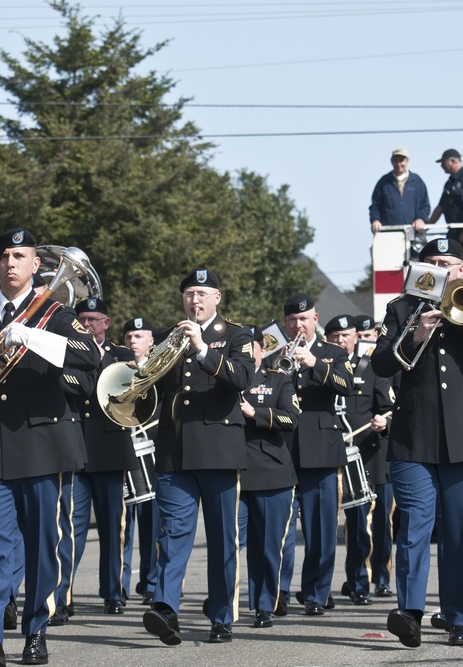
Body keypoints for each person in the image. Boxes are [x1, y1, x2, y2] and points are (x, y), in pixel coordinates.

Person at [0, 229, 101, 667]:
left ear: (37, 265)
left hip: (42, 446)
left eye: (21, 256)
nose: (11, 262)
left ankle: (36, 631)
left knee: (40, 549)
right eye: (5, 256)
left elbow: (88, 355)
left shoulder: (55, 312)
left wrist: (31, 337)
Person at [371, 238, 463, 648]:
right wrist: (415, 333)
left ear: (462, 270)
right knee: (413, 524)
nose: (440, 268)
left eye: (447, 263)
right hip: (415, 435)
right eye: (432, 262)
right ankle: (410, 613)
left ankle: (459, 617)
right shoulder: (401, 308)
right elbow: (379, 363)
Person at [142, 268, 253, 646]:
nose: (196, 300)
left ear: (218, 298)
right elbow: (148, 389)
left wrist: (203, 349)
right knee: (171, 536)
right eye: (190, 294)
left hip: (220, 451)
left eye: (203, 293)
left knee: (223, 540)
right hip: (175, 451)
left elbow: (242, 379)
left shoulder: (237, 335)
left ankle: (222, 616)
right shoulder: (167, 337)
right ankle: (166, 610)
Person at [52, 297, 137, 621]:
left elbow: (127, 391)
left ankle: (113, 593)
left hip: (111, 451)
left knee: (114, 528)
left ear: (106, 322)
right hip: (75, 448)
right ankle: (63, 597)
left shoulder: (122, 355)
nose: (86, 324)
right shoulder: (66, 350)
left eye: (92, 319)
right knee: (69, 530)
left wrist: (97, 357)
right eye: (81, 319)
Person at [282, 294, 352, 616]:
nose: (298, 325)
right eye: (293, 320)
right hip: (282, 446)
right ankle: (277, 591)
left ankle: (315, 593)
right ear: (286, 323)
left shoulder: (333, 353)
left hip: (321, 448)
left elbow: (346, 385)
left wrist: (315, 364)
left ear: (315, 319)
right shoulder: (275, 353)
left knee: (321, 529)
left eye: (304, 319)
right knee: (278, 528)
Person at [327, 315, 393, 607]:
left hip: (364, 455)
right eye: (335, 336)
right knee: (331, 526)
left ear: (356, 337)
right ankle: (330, 584)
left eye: (346, 335)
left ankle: (361, 583)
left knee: (362, 524)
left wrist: (383, 420)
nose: (340, 341)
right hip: (329, 454)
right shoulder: (319, 366)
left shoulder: (371, 368)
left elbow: (390, 407)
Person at [238, 324, 299, 628]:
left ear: (263, 349)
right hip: (233, 471)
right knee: (230, 545)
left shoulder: (278, 381)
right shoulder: (224, 379)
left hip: (271, 473)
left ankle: (266, 605)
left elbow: (291, 418)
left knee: (268, 545)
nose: (248, 354)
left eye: (253, 348)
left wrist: (256, 414)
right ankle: (229, 602)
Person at [354, 314, 396, 597]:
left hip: (378, 453)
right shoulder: (347, 366)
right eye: (362, 336)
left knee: (382, 521)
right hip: (352, 454)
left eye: (370, 337)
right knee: (357, 522)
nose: (365, 342)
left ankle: (381, 575)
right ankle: (358, 579)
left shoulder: (380, 367)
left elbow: (392, 406)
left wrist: (385, 421)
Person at [121, 316, 160, 605]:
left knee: (151, 522)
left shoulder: (161, 369)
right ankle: (118, 587)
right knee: (123, 525)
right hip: (123, 449)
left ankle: (150, 581)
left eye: (139, 336)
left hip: (153, 450)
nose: (133, 341)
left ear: (151, 341)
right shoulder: (118, 368)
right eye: (129, 337)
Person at [428, 149, 463, 256]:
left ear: (452, 161)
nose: (442, 166)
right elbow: (440, 207)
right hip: (453, 232)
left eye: (443, 162)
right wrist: (426, 226)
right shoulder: (449, 183)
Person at [369, 147, 431, 234]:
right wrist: (375, 220)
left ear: (407, 161)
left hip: (413, 233)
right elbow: (375, 205)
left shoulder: (417, 181)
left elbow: (425, 205)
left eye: (401, 160)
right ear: (391, 162)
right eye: (396, 160)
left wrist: (421, 219)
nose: (399, 164)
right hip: (389, 233)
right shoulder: (383, 182)